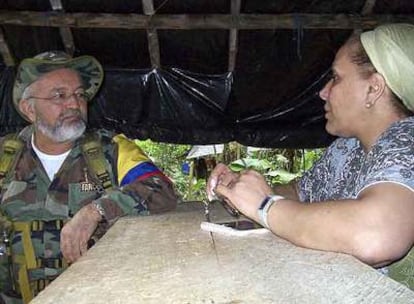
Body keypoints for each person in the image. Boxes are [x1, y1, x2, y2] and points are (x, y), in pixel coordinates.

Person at [207, 23, 414, 289]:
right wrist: (244, 190)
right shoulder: (346, 147)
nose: (323, 92)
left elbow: (375, 237)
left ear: (373, 89)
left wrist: (265, 206)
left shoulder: (407, 139)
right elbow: (300, 192)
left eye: (336, 78)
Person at [0, 51, 178, 303]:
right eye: (59, 95)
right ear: (29, 109)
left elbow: (162, 189)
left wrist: (96, 210)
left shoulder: (112, 150)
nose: (74, 104)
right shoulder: (5, 158)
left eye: (79, 94)